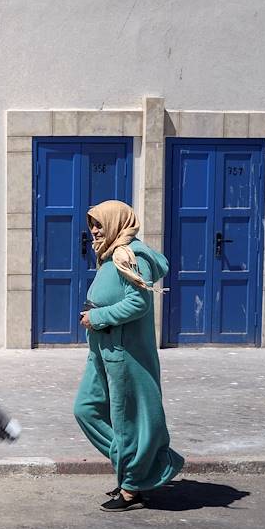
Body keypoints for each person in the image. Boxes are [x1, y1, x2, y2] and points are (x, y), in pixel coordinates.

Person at [73, 199, 184, 512]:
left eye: (99, 224)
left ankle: (132, 486)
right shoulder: (111, 255)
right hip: (102, 349)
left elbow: (139, 304)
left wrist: (96, 317)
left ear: (117, 223)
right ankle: (135, 465)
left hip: (124, 352)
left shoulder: (129, 255)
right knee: (85, 408)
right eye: (91, 225)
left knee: (127, 419)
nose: (94, 230)